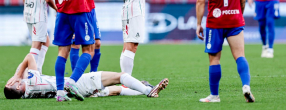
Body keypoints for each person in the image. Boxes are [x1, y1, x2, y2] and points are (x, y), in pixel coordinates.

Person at [196, 0, 255, 103]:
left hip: (216, 23)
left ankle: (214, 96)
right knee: (240, 56)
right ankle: (246, 86)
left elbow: (201, 2)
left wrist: (198, 24)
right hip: (235, 19)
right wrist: (238, 14)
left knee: (214, 59)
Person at [4, 53, 168, 100]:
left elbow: (25, 69)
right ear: (18, 86)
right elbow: (29, 58)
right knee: (120, 75)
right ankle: (148, 90)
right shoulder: (31, 80)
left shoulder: (25, 95)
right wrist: (17, 74)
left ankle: (143, 87)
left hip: (72, 93)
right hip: (76, 84)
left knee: (116, 89)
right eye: (12, 83)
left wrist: (18, 78)